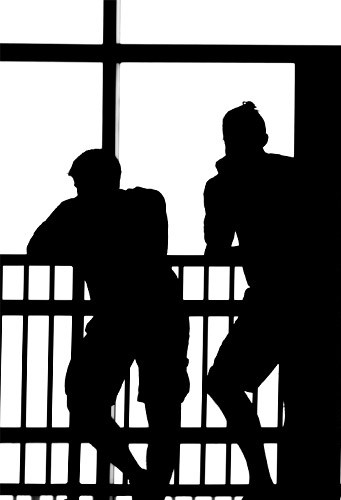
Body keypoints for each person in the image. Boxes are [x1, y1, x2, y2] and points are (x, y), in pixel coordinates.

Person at [28, 149, 189, 500]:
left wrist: (79, 240)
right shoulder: (148, 202)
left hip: (115, 318)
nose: (76, 190)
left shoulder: (76, 213)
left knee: (84, 403)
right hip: (161, 313)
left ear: (88, 181)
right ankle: (154, 489)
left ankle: (138, 477)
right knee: (163, 410)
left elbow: (36, 250)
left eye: (78, 183)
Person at [203, 101, 314, 495]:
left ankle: (262, 478)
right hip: (309, 297)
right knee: (302, 399)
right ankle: (296, 484)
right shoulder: (293, 172)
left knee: (222, 383)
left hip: (269, 299)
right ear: (264, 138)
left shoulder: (223, 185)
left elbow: (216, 248)